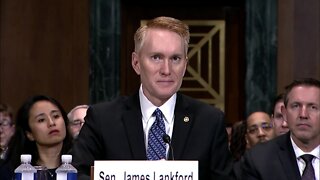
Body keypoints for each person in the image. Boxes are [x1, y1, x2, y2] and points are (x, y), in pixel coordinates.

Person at [71, 16, 233, 180]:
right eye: (156, 57)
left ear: (185, 66)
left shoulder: (209, 121)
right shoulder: (102, 118)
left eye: (175, 58)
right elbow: (74, 174)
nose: (166, 70)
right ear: (136, 63)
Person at [240, 78, 320, 180]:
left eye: (313, 107)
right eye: (296, 106)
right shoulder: (258, 159)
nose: (303, 115)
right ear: (285, 113)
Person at [0, 95, 73, 179]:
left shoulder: (81, 167)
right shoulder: (12, 171)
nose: (52, 123)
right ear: (29, 134)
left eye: (56, 116)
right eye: (41, 120)